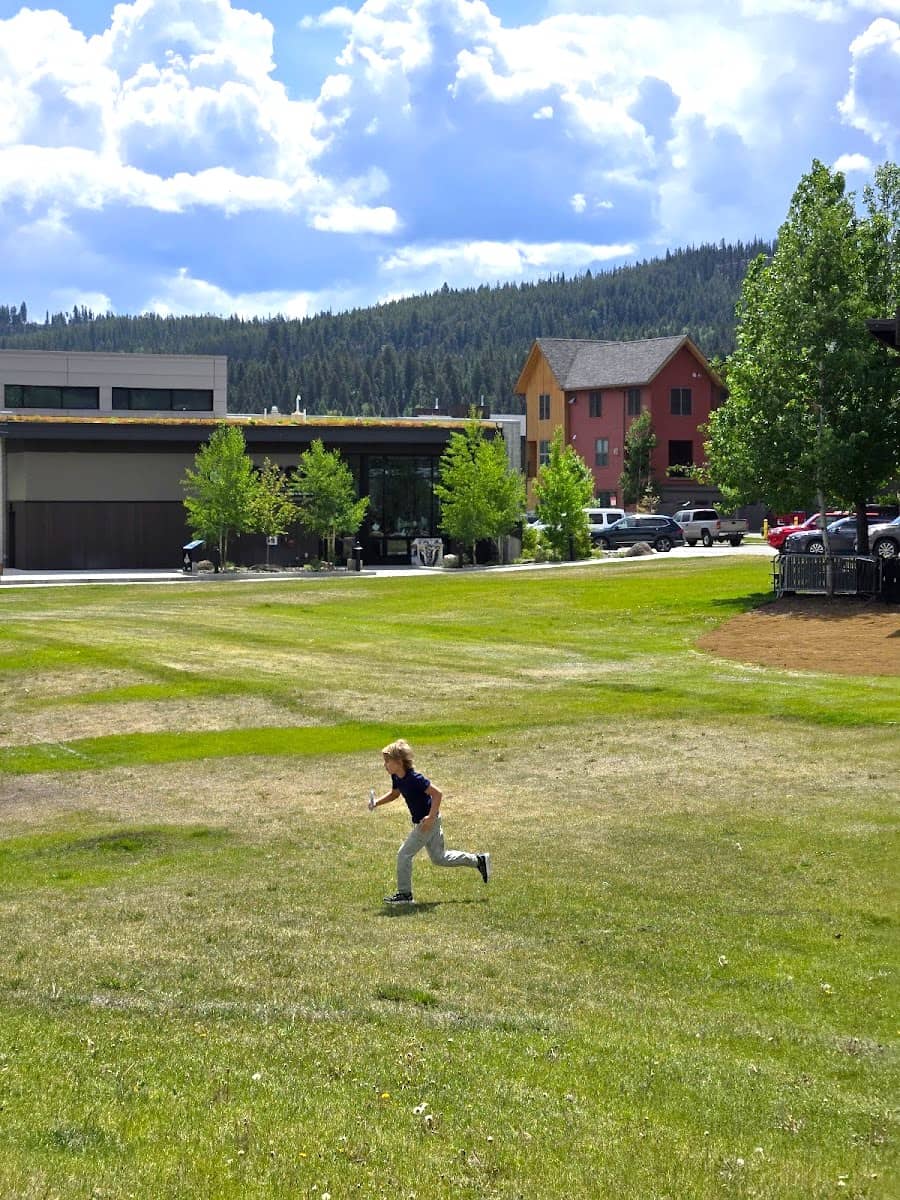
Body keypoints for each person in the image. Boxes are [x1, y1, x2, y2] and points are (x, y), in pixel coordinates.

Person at [370, 738, 490, 904]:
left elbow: (437, 794)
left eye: (387, 761)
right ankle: (479, 860)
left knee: (404, 854)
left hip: (427, 823)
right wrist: (376, 803)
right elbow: (394, 794)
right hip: (429, 822)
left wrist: (430, 818)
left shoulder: (415, 778)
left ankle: (405, 895)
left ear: (399, 762)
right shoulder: (397, 777)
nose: (384, 765)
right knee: (439, 858)